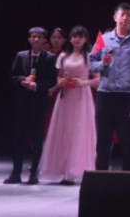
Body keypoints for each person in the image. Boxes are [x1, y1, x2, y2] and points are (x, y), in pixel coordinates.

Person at [90, 3, 130, 171]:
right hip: (105, 95)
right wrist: (103, 64)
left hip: (127, 96)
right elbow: (91, 63)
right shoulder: (103, 39)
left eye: (128, 15)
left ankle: (128, 179)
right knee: (103, 141)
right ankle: (100, 178)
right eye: (122, 14)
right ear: (115, 17)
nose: (125, 18)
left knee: (128, 142)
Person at [39, 26, 99, 184]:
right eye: (74, 36)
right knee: (64, 130)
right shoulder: (63, 57)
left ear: (86, 39)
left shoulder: (90, 57)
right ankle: (62, 168)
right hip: (65, 97)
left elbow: (98, 80)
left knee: (78, 130)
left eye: (80, 36)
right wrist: (61, 82)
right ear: (70, 39)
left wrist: (83, 82)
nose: (77, 39)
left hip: (82, 97)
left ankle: (74, 170)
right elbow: (58, 77)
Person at [5, 27, 57, 185]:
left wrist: (36, 85)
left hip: (39, 102)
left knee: (37, 138)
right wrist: (23, 80)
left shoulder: (50, 58)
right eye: (33, 36)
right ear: (29, 39)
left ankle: (34, 173)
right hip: (21, 102)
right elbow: (12, 76)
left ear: (44, 40)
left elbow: (52, 81)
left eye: (39, 37)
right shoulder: (21, 55)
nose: (36, 39)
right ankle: (16, 173)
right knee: (18, 138)